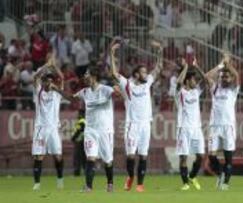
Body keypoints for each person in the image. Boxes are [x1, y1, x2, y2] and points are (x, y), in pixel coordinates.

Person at [51, 65, 121, 192]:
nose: (84, 76)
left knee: (108, 160)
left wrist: (117, 90)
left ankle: (110, 183)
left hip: (105, 130)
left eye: (87, 74)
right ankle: (88, 187)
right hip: (90, 131)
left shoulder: (105, 89)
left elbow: (120, 95)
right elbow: (71, 98)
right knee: (90, 158)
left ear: (94, 76)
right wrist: (56, 89)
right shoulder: (85, 92)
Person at [110, 40, 164, 192]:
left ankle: (140, 184)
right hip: (132, 125)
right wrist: (111, 53)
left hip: (146, 124)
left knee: (144, 155)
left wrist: (160, 52)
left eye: (146, 72)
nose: (146, 74)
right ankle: (130, 176)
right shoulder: (128, 85)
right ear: (136, 74)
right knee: (131, 156)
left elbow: (158, 69)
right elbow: (114, 74)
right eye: (143, 72)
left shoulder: (147, 84)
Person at [205, 54, 240, 190]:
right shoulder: (215, 89)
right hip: (215, 126)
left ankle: (225, 183)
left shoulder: (233, 90)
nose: (223, 78)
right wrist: (221, 65)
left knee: (228, 157)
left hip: (228, 126)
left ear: (230, 78)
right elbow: (207, 76)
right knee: (211, 155)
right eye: (221, 76)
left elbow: (236, 76)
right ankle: (220, 174)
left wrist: (228, 64)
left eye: (226, 76)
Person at [174, 58, 208, 191]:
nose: (195, 81)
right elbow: (178, 83)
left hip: (197, 129)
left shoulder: (196, 92)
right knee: (184, 158)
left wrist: (197, 66)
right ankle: (185, 184)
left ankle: (192, 176)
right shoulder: (180, 93)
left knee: (200, 156)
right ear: (187, 81)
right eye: (193, 79)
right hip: (184, 129)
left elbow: (205, 80)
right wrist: (186, 68)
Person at [31, 56, 64, 191]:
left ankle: (60, 180)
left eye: (51, 80)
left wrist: (54, 66)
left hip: (54, 128)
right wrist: (46, 65)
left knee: (57, 156)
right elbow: (35, 78)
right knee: (39, 156)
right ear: (43, 82)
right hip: (40, 128)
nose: (49, 83)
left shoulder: (56, 93)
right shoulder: (38, 92)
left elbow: (62, 78)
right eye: (46, 80)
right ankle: (37, 184)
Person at [72, 109, 86, 176]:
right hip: (83, 141)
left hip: (80, 141)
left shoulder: (81, 121)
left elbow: (79, 131)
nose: (78, 115)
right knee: (84, 157)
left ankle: (77, 172)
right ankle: (86, 171)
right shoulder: (85, 121)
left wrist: (73, 138)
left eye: (79, 114)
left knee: (77, 157)